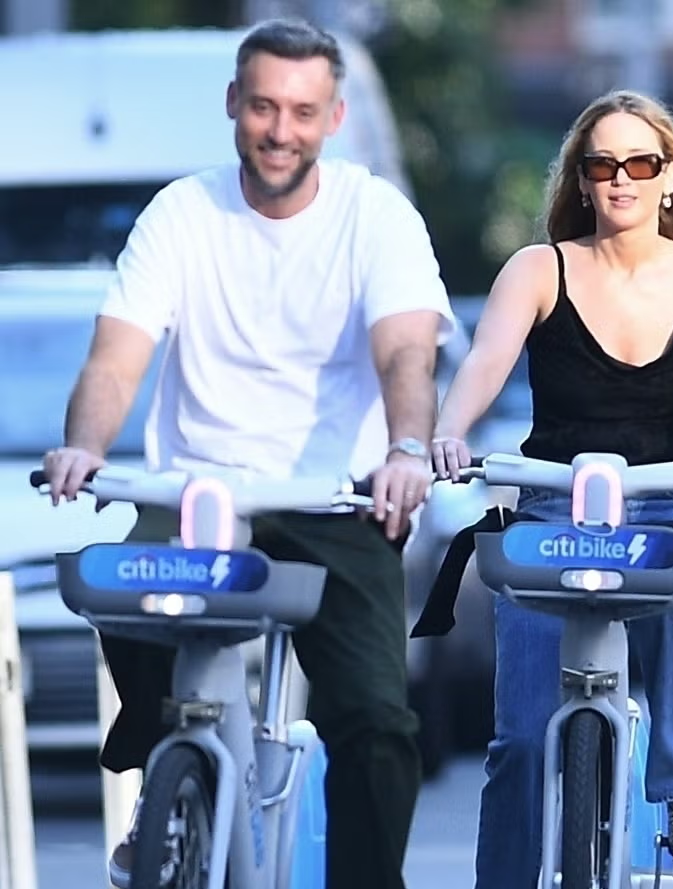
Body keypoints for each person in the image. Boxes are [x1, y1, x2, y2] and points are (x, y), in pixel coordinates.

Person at [41, 18, 454, 889]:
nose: (279, 129)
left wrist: (407, 447)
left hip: (334, 499)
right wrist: (83, 444)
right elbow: (117, 358)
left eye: (302, 111)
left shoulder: (374, 215)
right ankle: (168, 772)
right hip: (201, 493)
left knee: (377, 723)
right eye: (263, 105)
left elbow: (404, 354)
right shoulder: (182, 214)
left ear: (333, 118)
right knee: (114, 565)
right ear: (233, 104)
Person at [431, 89, 673, 886]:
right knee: (518, 739)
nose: (620, 178)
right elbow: (485, 361)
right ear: (580, 181)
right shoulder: (537, 268)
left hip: (669, 502)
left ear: (668, 178)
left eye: (639, 162)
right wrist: (448, 431)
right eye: (601, 164)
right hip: (552, 506)